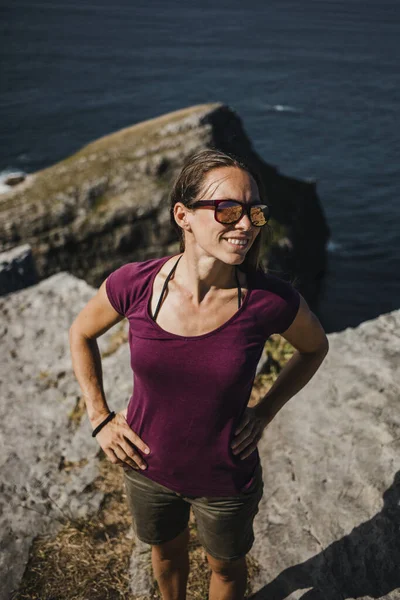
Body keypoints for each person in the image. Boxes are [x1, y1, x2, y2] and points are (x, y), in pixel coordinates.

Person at [69, 149, 329, 600]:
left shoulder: (270, 301)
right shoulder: (134, 283)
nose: (245, 224)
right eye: (228, 210)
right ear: (183, 216)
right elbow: (80, 333)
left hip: (226, 477)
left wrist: (265, 412)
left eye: (255, 212)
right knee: (166, 555)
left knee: (226, 570)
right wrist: (100, 417)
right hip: (146, 468)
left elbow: (314, 348)